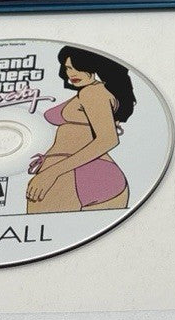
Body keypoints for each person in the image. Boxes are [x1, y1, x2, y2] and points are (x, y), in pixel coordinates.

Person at [26, 48, 135, 213]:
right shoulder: (94, 92)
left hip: (69, 171)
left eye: (79, 67)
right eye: (68, 68)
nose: (72, 73)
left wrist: (51, 173)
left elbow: (108, 139)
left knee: (43, 227)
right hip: (93, 172)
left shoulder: (92, 92)